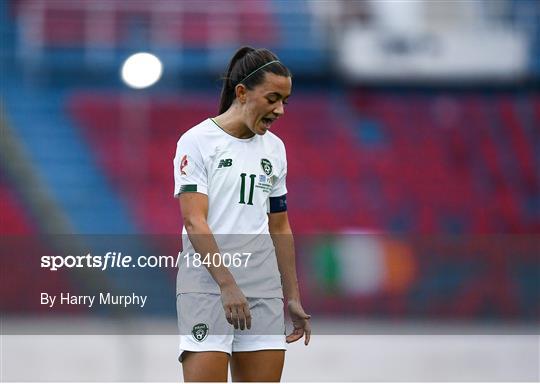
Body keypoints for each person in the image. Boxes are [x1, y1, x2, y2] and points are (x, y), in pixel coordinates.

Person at [173, 46, 311, 382]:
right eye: (272, 98)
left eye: (285, 101)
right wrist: (227, 284)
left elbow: (279, 225)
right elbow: (194, 220)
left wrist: (291, 295)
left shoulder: (275, 150)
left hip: (261, 286)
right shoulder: (197, 142)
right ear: (242, 93)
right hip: (207, 284)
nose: (280, 109)